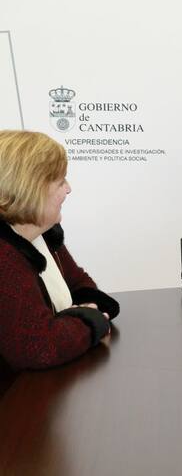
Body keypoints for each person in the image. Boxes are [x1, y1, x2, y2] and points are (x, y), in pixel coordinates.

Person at [0, 131, 119, 371]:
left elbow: (80, 285)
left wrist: (74, 320)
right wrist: (90, 320)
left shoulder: (41, 235)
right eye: (61, 181)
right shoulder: (4, 256)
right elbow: (37, 348)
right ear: (32, 189)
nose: (68, 189)